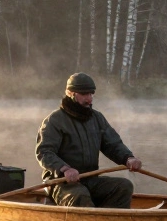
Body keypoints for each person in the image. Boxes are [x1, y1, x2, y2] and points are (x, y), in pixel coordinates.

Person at [36, 73, 143, 208]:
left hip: (90, 180)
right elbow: (44, 152)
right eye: (84, 94)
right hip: (61, 183)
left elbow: (113, 144)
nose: (89, 99)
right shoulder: (55, 120)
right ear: (70, 93)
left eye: (91, 94)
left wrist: (128, 158)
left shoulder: (97, 118)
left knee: (124, 186)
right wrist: (64, 169)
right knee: (80, 196)